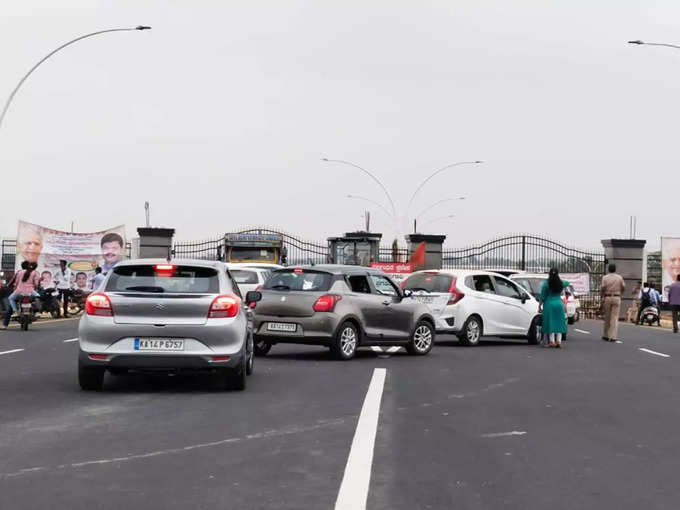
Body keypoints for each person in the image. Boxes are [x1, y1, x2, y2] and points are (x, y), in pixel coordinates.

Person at [2, 262, 40, 329]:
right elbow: (36, 284)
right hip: (31, 292)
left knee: (11, 298)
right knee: (38, 297)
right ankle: (37, 311)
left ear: (22, 266)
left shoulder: (19, 272)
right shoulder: (35, 273)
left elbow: (15, 283)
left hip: (19, 292)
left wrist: (14, 288)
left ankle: (14, 312)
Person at [538, 268, 570, 348]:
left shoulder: (546, 283)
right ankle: (559, 341)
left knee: (550, 322)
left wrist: (539, 306)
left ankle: (552, 341)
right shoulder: (561, 283)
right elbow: (567, 283)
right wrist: (558, 280)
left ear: (549, 274)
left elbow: (543, 296)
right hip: (559, 304)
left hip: (549, 304)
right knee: (559, 322)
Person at [601, 263, 626, 342]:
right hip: (616, 297)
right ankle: (613, 336)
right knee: (614, 318)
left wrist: (602, 296)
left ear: (608, 269)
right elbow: (623, 287)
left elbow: (602, 288)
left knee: (607, 317)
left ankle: (606, 335)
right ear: (615, 269)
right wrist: (620, 293)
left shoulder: (605, 278)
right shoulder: (619, 277)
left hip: (607, 297)